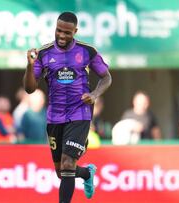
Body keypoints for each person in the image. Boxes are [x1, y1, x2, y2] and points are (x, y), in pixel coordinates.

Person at [23, 11, 112, 202]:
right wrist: (30, 66)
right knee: (62, 172)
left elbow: (106, 77)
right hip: (55, 116)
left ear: (75, 31)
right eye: (58, 30)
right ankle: (87, 174)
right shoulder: (44, 53)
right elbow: (30, 89)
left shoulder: (87, 51)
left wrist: (95, 94)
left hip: (80, 113)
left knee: (68, 163)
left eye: (67, 32)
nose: (62, 36)